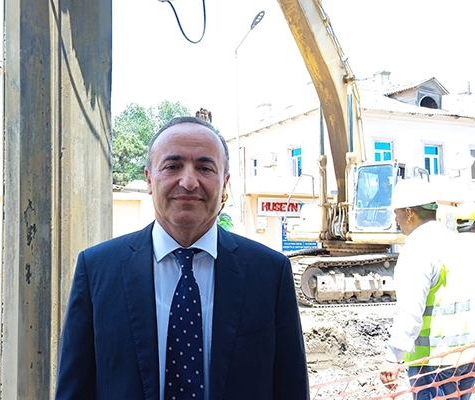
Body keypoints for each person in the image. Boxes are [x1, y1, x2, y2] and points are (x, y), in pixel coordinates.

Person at [55, 116, 310, 400]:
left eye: (205, 168)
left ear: (224, 184)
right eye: (172, 166)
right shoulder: (97, 270)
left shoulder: (269, 273)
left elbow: (291, 388)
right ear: (149, 179)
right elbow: (74, 389)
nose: (189, 182)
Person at [380, 180, 475, 399]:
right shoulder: (454, 242)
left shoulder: (417, 249)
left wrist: (393, 357)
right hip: (465, 356)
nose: (396, 220)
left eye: (397, 213)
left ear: (409, 212)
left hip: (433, 363)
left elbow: (410, 310)